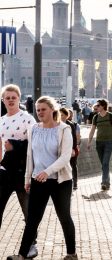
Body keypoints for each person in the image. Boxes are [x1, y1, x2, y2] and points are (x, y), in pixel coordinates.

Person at [7, 96, 77, 260]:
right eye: (37, 110)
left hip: (61, 181)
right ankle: (22, 255)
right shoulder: (34, 129)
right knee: (32, 219)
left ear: (52, 110)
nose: (40, 112)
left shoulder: (64, 129)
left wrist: (47, 171)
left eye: (43, 109)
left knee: (64, 217)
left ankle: (72, 253)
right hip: (38, 180)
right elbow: (30, 155)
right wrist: (27, 179)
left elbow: (65, 157)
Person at [0, 84, 38, 259]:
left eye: (13, 97)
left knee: (28, 211)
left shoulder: (27, 119)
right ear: (2, 100)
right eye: (7, 97)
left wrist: (14, 146)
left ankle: (31, 245)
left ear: (19, 98)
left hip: (23, 170)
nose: (10, 100)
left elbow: (35, 145)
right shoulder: (1, 120)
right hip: (4, 170)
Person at [87, 99, 112, 191]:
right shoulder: (96, 117)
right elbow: (92, 130)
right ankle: (107, 182)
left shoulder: (110, 116)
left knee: (105, 163)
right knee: (104, 164)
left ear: (103, 106)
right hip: (99, 143)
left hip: (108, 142)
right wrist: (89, 142)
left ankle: (104, 183)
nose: (96, 107)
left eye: (98, 105)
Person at [59, 108, 81, 190]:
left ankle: (75, 183)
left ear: (66, 116)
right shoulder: (56, 124)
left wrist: (73, 149)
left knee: (73, 165)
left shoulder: (70, 124)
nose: (60, 117)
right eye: (59, 115)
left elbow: (74, 138)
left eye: (62, 115)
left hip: (71, 149)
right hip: (61, 150)